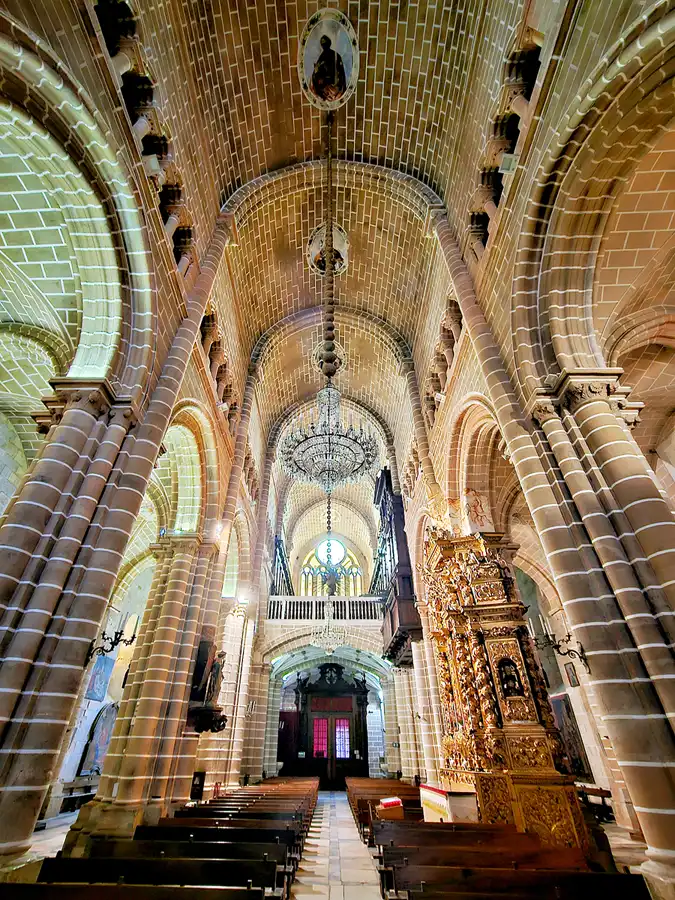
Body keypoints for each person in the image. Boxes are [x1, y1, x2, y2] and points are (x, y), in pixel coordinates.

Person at [311, 35, 346, 102]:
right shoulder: (322, 58)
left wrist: (341, 88)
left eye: (325, 43)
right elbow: (316, 74)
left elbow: (341, 73)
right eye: (323, 44)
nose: (324, 46)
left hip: (335, 87)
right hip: (326, 87)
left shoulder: (335, 56)